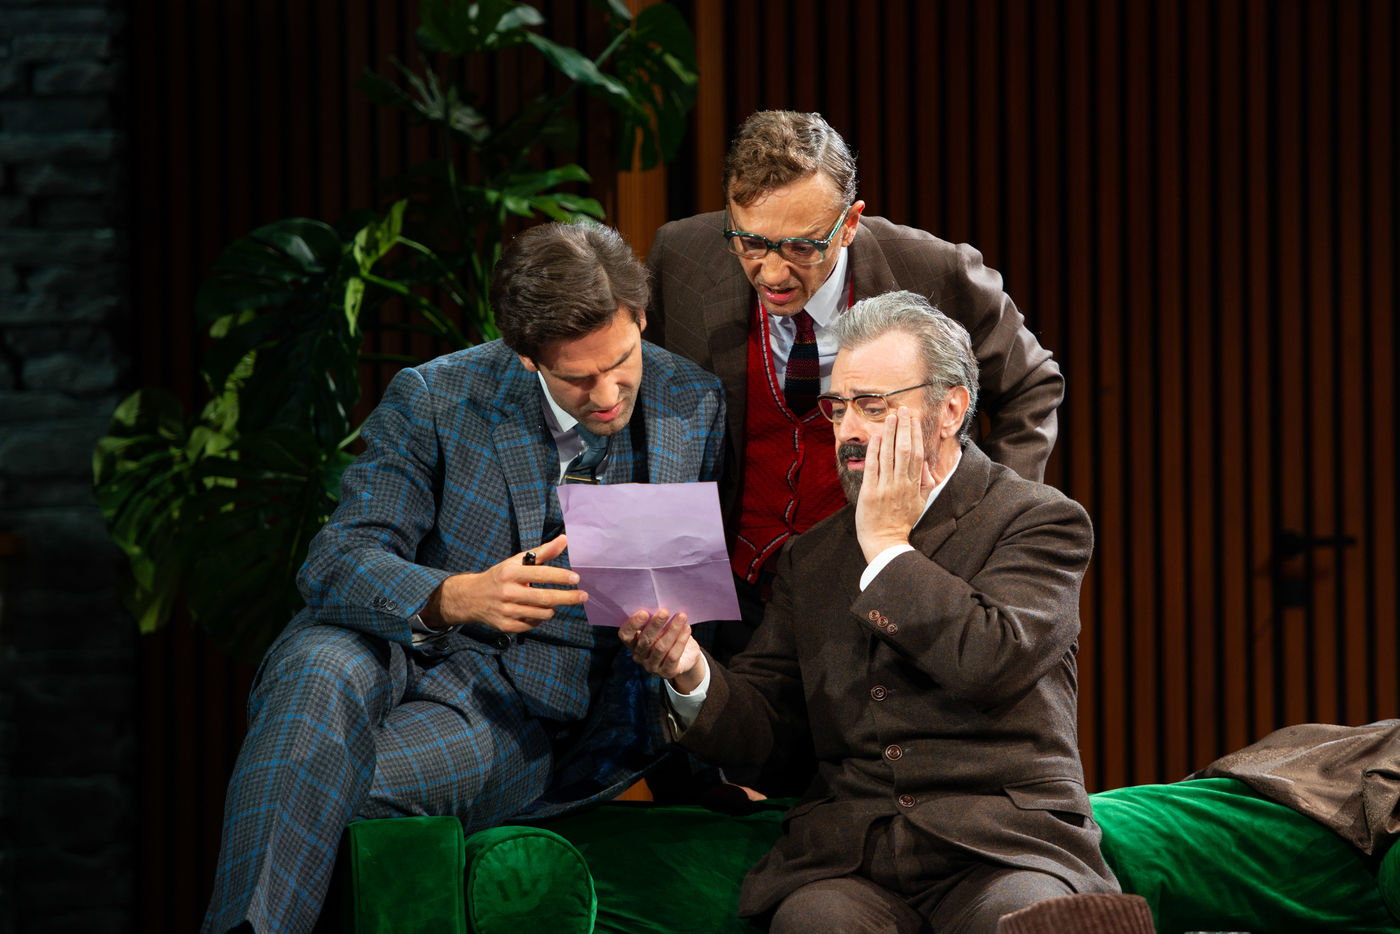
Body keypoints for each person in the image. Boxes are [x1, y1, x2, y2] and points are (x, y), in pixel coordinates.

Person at [202, 221, 726, 934]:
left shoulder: (692, 405)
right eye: (578, 378)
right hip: (389, 645)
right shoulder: (437, 396)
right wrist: (456, 596)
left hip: (510, 709)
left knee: (313, 781)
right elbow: (337, 559)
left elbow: (696, 605)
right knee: (320, 665)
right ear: (527, 358)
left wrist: (700, 742)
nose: (607, 393)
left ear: (638, 317)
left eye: (621, 362)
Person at [620, 291, 1117, 934]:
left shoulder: (1036, 521)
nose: (848, 430)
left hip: (1003, 848)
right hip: (854, 861)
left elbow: (991, 659)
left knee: (1023, 920)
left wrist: (885, 546)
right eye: (839, 407)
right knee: (815, 923)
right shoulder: (813, 557)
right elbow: (770, 727)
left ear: (950, 410)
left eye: (873, 407)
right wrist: (691, 671)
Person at [646, 110, 1064, 634]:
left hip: (872, 587)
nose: (771, 273)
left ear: (849, 224)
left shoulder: (935, 271)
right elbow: (643, 400)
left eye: (801, 247)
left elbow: (1031, 385)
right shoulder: (680, 256)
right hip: (729, 586)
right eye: (751, 243)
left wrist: (987, 521)